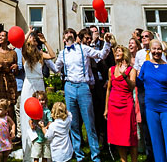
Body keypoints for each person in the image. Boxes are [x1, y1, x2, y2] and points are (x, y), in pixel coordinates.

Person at [54, 27, 110, 162]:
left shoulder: (83, 49)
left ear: (75, 37)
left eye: (71, 34)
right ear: (64, 38)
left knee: (89, 122)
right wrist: (42, 57)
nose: (68, 36)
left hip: (83, 86)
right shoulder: (62, 53)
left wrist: (107, 43)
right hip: (69, 86)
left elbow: (101, 55)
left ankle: (95, 155)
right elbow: (55, 69)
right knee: (73, 122)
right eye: (66, 34)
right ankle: (79, 154)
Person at [136, 39, 167, 162]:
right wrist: (128, 74)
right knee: (156, 142)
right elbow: (139, 83)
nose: (156, 51)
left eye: (158, 49)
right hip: (151, 108)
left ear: (162, 50)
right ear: (150, 50)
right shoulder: (146, 65)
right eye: (154, 49)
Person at [20, 31, 56, 162]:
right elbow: (21, 44)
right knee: (28, 116)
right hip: (29, 84)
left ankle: (43, 150)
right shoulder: (25, 53)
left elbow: (52, 55)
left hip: (39, 84)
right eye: (32, 38)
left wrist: (45, 41)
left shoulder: (40, 54)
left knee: (42, 113)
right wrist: (28, 32)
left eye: (34, 38)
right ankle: (29, 152)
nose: (33, 39)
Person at [104, 44, 138, 162]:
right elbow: (109, 89)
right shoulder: (111, 70)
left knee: (130, 135)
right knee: (118, 137)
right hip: (114, 105)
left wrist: (124, 75)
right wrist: (106, 108)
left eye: (119, 51)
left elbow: (132, 86)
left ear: (125, 54)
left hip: (126, 105)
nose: (117, 53)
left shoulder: (131, 70)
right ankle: (123, 160)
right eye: (116, 51)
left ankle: (134, 160)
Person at [132, 29, 155, 162]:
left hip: (155, 88)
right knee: (145, 121)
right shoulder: (140, 54)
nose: (144, 38)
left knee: (155, 119)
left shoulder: (156, 51)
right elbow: (136, 69)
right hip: (143, 89)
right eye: (142, 37)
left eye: (147, 36)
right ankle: (149, 153)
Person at [0, 30, 19, 107]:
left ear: (7, 38)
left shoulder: (13, 53)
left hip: (10, 82)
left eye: (2, 36)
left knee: (10, 105)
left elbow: (16, 73)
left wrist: (16, 67)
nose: (0, 37)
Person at [28, 91, 51, 162]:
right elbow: (30, 119)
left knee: (45, 155)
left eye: (43, 100)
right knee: (36, 156)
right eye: (39, 100)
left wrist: (46, 127)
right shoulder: (34, 110)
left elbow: (50, 121)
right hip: (37, 138)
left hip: (45, 137)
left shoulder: (47, 111)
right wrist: (31, 125)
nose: (41, 102)